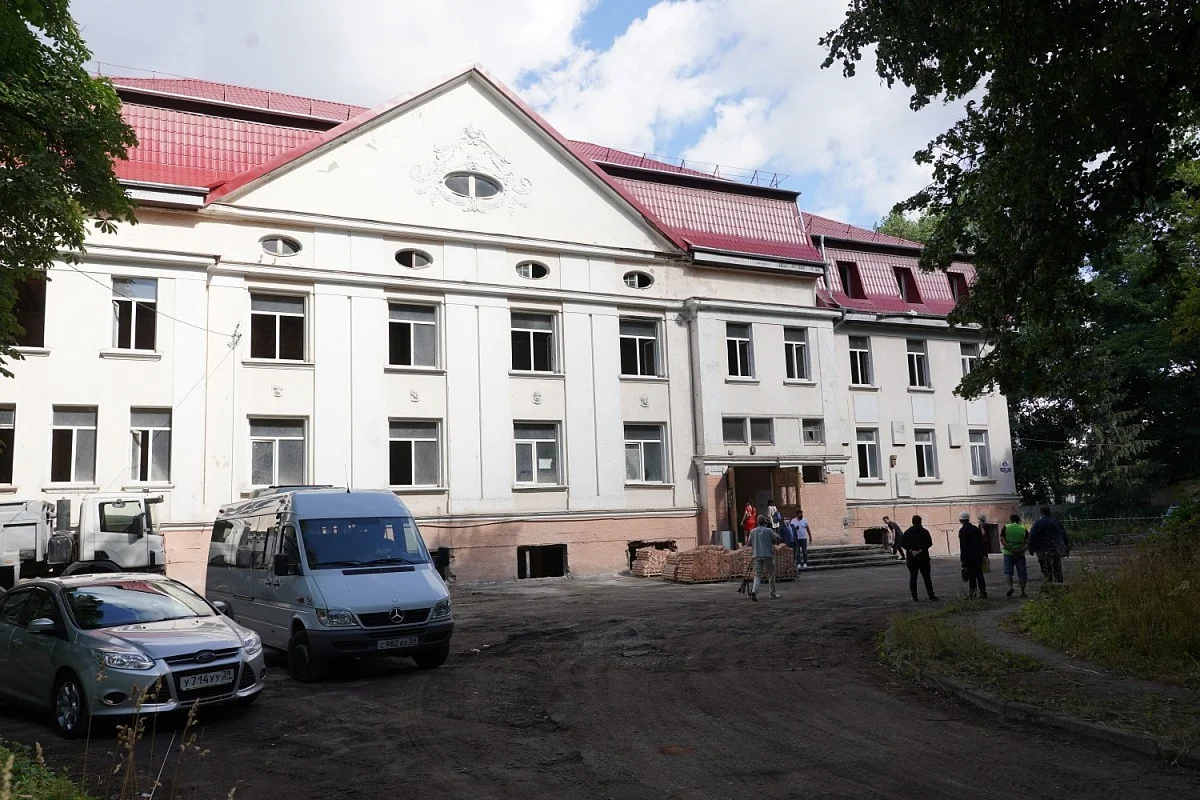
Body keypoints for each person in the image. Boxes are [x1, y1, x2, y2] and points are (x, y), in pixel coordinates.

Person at [900, 515, 939, 602]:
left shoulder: (907, 532)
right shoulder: (924, 532)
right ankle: (931, 595)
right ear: (920, 522)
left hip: (912, 558)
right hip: (923, 558)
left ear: (912, 522)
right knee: (927, 577)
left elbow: (903, 543)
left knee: (913, 578)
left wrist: (911, 550)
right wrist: (920, 550)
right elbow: (929, 543)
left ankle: (914, 597)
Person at [1028, 506, 1068, 584]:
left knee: (1046, 570)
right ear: (1049, 512)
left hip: (1042, 550)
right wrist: (1066, 547)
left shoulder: (1038, 523)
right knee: (1057, 569)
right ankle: (1059, 586)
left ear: (1041, 512)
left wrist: (1031, 548)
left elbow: (1032, 536)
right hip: (1055, 549)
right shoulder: (1056, 522)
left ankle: (1048, 585)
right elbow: (1064, 535)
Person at [748, 515, 781, 601]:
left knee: (757, 575)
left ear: (757, 522)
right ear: (765, 522)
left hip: (757, 555)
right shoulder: (768, 530)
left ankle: (754, 591)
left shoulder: (752, 531)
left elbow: (749, 543)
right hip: (767, 555)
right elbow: (775, 539)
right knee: (771, 574)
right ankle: (772, 593)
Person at [957, 511, 987, 599]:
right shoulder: (976, 529)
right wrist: (983, 554)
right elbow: (981, 543)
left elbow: (963, 546)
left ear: (960, 520)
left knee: (971, 576)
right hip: (978, 556)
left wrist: (963, 560)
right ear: (968, 519)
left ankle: (972, 593)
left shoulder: (962, 531)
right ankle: (983, 593)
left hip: (968, 557)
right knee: (979, 575)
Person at [1001, 513, 1030, 598]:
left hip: (1008, 553)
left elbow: (1002, 540)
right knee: (1022, 573)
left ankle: (1010, 587)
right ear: (1019, 520)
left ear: (1011, 520)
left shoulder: (1006, 527)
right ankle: (1022, 592)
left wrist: (1010, 549)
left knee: (1008, 572)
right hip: (1020, 554)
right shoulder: (1023, 528)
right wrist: (1022, 550)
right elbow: (1028, 542)